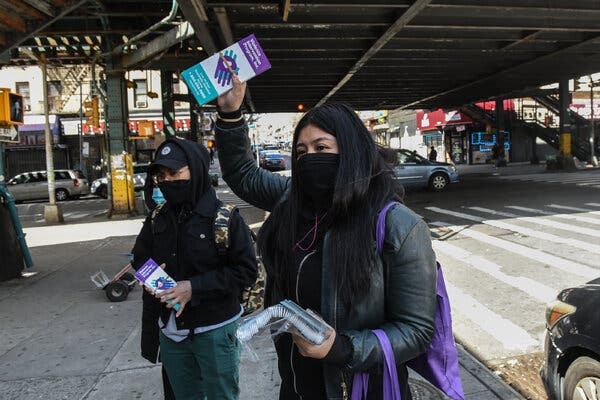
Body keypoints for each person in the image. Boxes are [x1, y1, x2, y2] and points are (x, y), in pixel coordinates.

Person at [215, 75, 437, 399]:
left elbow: (416, 331)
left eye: (322, 148)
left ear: (350, 152)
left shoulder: (398, 226)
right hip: (295, 388)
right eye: (301, 151)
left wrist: (342, 347)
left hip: (361, 390)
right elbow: (242, 174)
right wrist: (231, 114)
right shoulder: (290, 199)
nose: (309, 158)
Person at [132, 138, 258, 400]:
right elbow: (140, 259)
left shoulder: (225, 218)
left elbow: (246, 271)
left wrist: (193, 288)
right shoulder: (157, 216)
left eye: (175, 173)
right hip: (171, 333)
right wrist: (157, 281)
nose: (167, 181)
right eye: (162, 176)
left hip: (215, 332)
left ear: (196, 170)